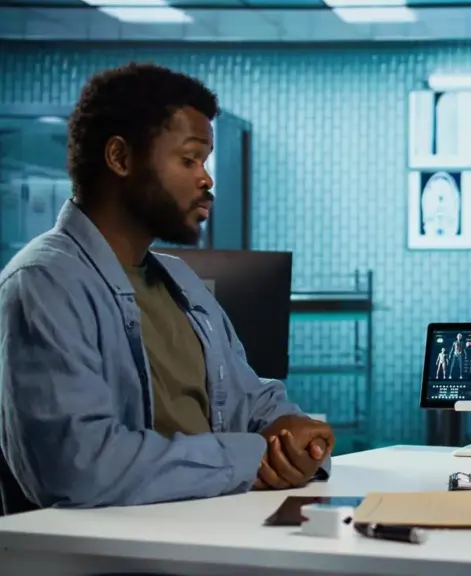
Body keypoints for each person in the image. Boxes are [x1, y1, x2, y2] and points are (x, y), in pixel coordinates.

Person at [0, 63, 335, 514]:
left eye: (206, 160)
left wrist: (294, 435)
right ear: (120, 158)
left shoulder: (180, 281)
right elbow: (79, 466)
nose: (206, 179)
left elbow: (251, 399)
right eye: (189, 159)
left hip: (204, 532)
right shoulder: (44, 283)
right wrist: (251, 458)